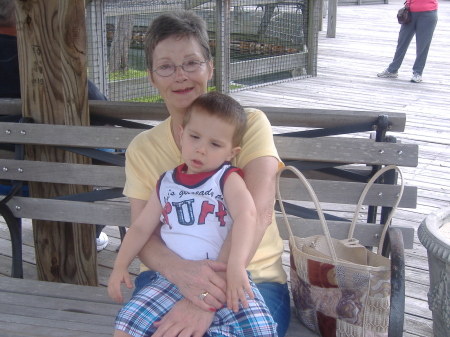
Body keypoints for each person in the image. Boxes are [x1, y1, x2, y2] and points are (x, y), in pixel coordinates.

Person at [122, 10, 290, 337]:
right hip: (167, 277)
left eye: (191, 63)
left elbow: (258, 213)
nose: (181, 75)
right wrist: (185, 277)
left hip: (251, 278)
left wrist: (205, 299)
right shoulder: (142, 149)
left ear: (210, 69)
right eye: (166, 66)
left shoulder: (250, 125)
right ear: (151, 77)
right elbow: (144, 235)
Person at [109, 92, 278, 336]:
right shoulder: (165, 183)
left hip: (226, 277)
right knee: (126, 325)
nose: (201, 150)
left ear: (231, 152)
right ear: (181, 134)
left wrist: (237, 266)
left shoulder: (226, 179)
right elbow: (140, 228)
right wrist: (120, 265)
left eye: (215, 144)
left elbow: (248, 215)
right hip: (173, 279)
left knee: (259, 330)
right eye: (195, 137)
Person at [0, 0, 109, 251]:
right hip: (50, 177)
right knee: (116, 156)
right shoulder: (45, 57)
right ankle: (88, 231)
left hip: (4, 180)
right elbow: (100, 111)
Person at [377, 0, 438, 83]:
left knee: (423, 45)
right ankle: (392, 70)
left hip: (428, 13)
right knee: (402, 42)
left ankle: (418, 72)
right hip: (409, 12)